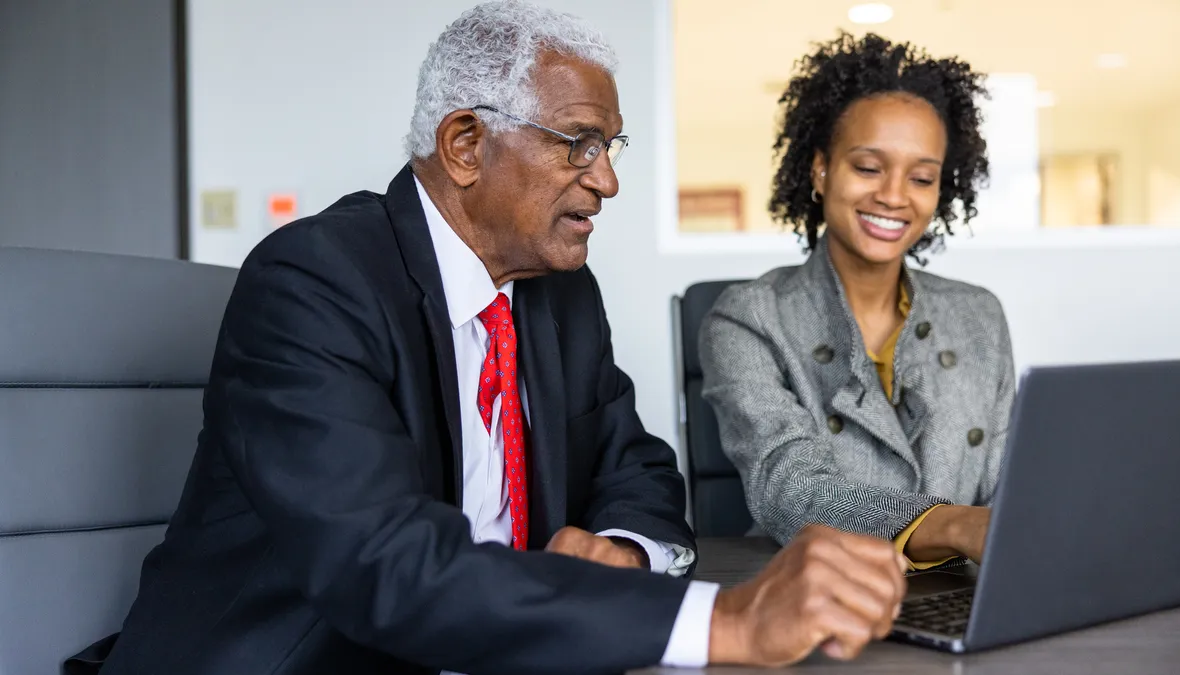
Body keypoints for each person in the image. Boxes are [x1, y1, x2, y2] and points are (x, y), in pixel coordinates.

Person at [80, 4, 908, 675]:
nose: (608, 179)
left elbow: (640, 469)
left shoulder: (561, 294)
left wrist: (618, 551)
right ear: (467, 144)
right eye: (577, 143)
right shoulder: (314, 281)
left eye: (611, 146)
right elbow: (387, 567)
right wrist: (723, 620)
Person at [699, 33, 1013, 571]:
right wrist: (957, 526)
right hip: (818, 597)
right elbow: (790, 490)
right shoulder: (749, 318)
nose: (894, 195)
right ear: (821, 170)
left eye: (921, 177)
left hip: (968, 600)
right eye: (868, 168)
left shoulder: (979, 316)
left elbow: (1011, 483)